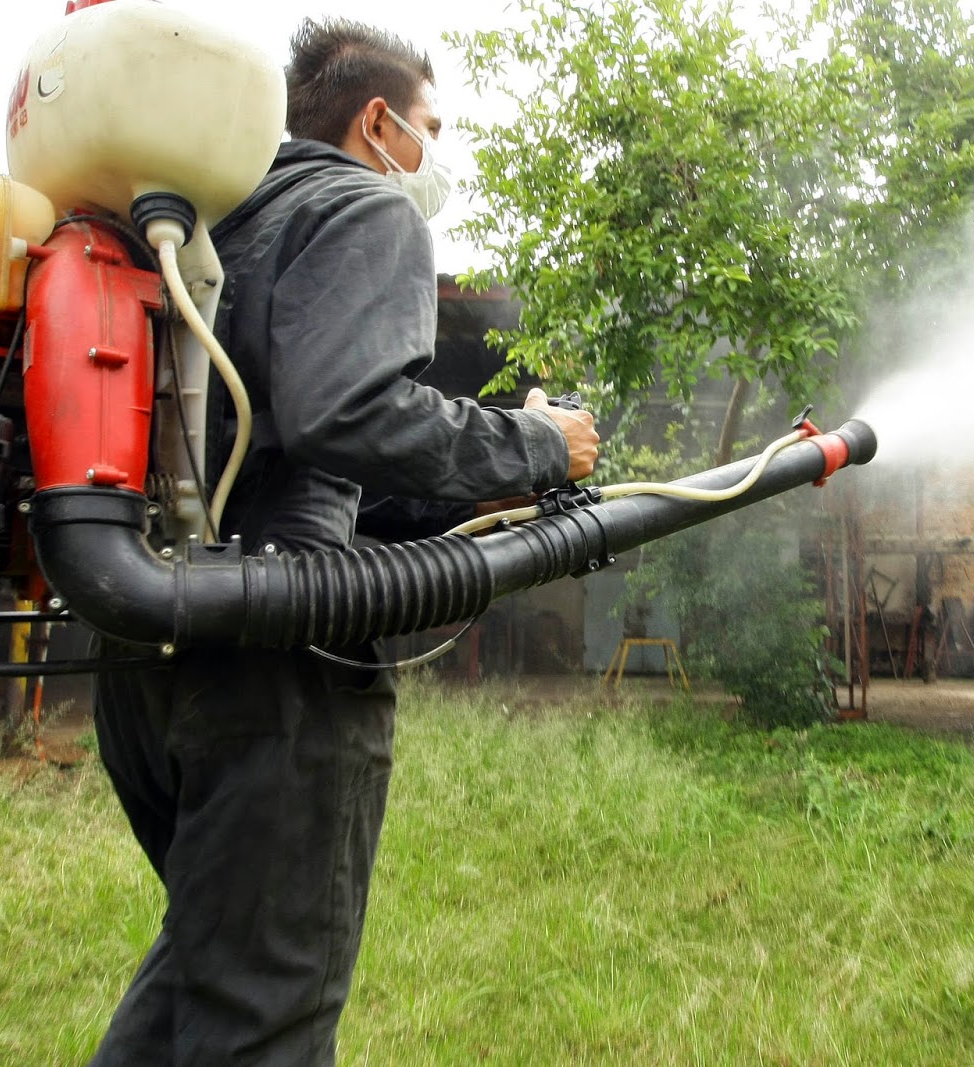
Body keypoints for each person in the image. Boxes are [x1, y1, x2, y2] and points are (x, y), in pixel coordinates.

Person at [89, 18, 599, 1066]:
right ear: (376, 123)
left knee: (205, 969)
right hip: (275, 670)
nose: (433, 156)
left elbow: (294, 453)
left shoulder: (212, 226)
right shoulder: (362, 205)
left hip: (145, 658)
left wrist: (484, 498)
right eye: (430, 128)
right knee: (262, 1020)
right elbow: (348, 413)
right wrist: (538, 442)